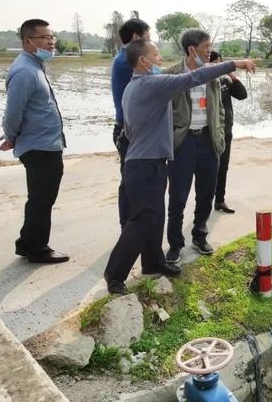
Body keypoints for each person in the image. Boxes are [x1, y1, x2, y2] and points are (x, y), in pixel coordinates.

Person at [103, 39, 255, 294]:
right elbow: (196, 77)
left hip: (150, 162)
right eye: (156, 53)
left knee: (156, 217)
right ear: (143, 60)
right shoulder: (151, 84)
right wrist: (235, 64)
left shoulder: (135, 85)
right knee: (142, 220)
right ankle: (114, 273)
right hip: (144, 165)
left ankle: (153, 262)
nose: (161, 58)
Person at [0, 19, 69, 263]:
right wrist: (11, 136)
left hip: (46, 143)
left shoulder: (35, 65)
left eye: (52, 38)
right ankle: (37, 249)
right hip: (40, 148)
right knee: (42, 199)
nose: (51, 42)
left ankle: (27, 242)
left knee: (40, 197)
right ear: (28, 41)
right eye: (44, 38)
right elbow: (13, 113)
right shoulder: (25, 71)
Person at [164, 29, 226, 263]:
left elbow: (219, 107)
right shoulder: (171, 74)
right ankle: (175, 244)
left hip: (209, 141)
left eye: (211, 46)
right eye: (206, 46)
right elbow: (163, 111)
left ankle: (200, 235)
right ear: (192, 49)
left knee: (206, 193)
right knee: (178, 196)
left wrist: (218, 132)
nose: (210, 51)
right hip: (183, 143)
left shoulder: (212, 74)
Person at [111, 18, 151, 228]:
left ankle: (132, 228)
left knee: (132, 182)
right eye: (148, 38)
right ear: (136, 37)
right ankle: (129, 229)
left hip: (131, 129)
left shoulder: (123, 58)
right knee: (130, 184)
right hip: (129, 131)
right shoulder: (127, 60)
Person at [209, 50, 248, 214]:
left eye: (221, 62)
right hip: (209, 133)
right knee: (209, 169)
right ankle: (204, 203)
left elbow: (242, 95)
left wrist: (232, 75)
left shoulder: (226, 80)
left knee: (223, 167)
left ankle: (220, 200)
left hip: (226, 131)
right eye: (215, 63)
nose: (219, 66)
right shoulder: (204, 80)